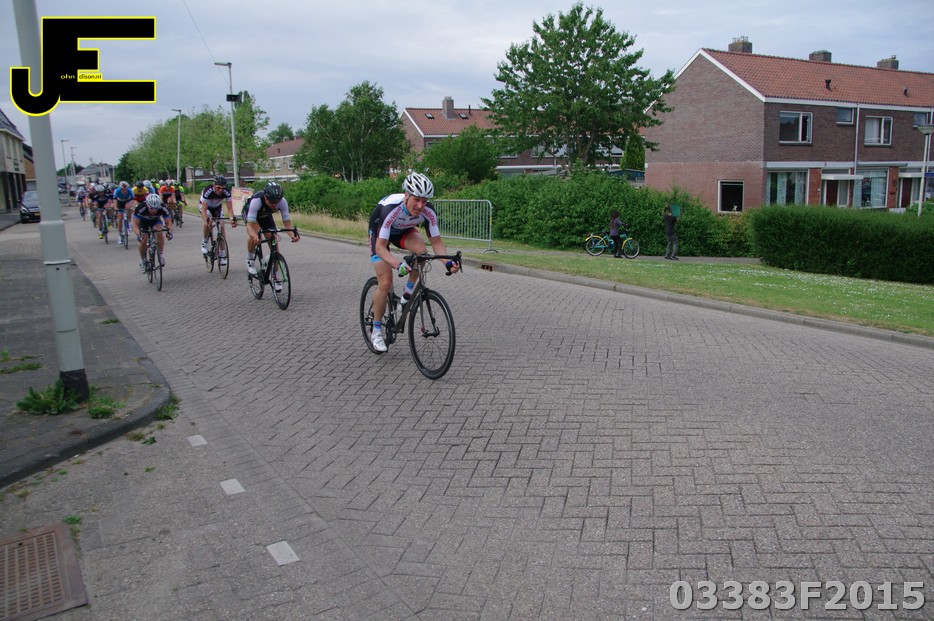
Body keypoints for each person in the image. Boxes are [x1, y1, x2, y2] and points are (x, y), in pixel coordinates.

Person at [366, 172, 459, 353]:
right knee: (385, 282)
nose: (420, 206)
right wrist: (397, 264)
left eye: (424, 201)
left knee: (422, 252)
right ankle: (376, 330)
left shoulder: (429, 211)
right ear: (406, 195)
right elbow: (380, 248)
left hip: (403, 232)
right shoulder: (390, 209)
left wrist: (448, 263)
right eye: (416, 200)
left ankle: (406, 297)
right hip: (380, 235)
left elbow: (436, 242)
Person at [241, 182, 298, 286]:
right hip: (251, 214)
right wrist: (254, 235)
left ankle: (275, 278)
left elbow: (287, 223)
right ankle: (249, 258)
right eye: (271, 202)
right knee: (256, 234)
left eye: (277, 202)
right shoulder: (257, 201)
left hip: (265, 216)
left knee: (274, 244)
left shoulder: (282, 201)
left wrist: (292, 235)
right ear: (265, 197)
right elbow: (250, 226)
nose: (274, 205)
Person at [132, 193, 173, 271]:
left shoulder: (163, 208)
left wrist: (169, 232)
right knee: (143, 239)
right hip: (143, 222)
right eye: (151, 208)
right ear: (147, 205)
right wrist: (138, 235)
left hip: (155, 221)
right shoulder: (140, 208)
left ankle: (160, 255)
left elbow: (168, 222)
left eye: (156, 208)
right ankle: (143, 260)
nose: (154, 210)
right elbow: (134, 224)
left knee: (159, 231)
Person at [200, 175, 235, 259]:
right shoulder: (208, 191)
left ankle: (222, 253)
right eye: (218, 187)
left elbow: (230, 208)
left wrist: (232, 219)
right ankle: (204, 242)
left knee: (222, 226)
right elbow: (204, 210)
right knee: (208, 223)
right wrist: (206, 220)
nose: (220, 190)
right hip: (206, 207)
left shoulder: (226, 192)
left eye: (223, 188)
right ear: (214, 185)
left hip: (217, 208)